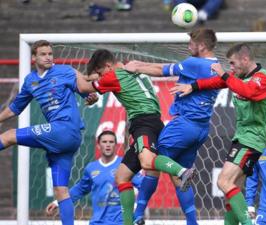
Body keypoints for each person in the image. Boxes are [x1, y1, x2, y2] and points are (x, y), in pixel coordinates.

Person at [76, 49, 196, 225]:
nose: (100, 77)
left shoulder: (113, 77)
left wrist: (71, 72)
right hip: (152, 121)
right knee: (121, 176)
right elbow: (99, 81)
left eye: (100, 73)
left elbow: (83, 87)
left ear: (107, 66)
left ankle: (181, 170)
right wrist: (93, 79)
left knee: (148, 163)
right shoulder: (132, 67)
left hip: (143, 123)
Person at [124, 27, 220, 225]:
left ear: (201, 46)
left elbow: (162, 70)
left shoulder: (195, 63)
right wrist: (140, 63)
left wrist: (137, 67)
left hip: (185, 124)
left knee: (153, 160)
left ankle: (138, 213)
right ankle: (192, 222)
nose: (188, 47)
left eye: (191, 43)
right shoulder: (215, 65)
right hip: (201, 128)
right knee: (179, 174)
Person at [169, 43, 266, 225]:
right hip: (242, 138)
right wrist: (193, 86)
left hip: (252, 139)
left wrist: (223, 73)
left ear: (245, 59)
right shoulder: (237, 76)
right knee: (232, 193)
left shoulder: (262, 78)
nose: (230, 68)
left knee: (223, 181)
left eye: (233, 63)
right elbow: (217, 82)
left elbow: (247, 91)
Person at [0, 40, 98, 225]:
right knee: (61, 190)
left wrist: (91, 96)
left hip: (65, 129)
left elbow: (86, 90)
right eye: (43, 54)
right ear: (34, 57)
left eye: (50, 54)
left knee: (10, 135)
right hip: (65, 139)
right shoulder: (30, 81)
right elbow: (15, 108)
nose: (48, 57)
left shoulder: (65, 71)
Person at [45, 130, 144, 225]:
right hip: (97, 222)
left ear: (116, 145)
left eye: (111, 142)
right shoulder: (91, 168)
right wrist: (58, 202)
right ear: (98, 145)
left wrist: (137, 207)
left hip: (121, 222)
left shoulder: (125, 165)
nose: (108, 145)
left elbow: (143, 186)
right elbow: (80, 190)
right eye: (104, 142)